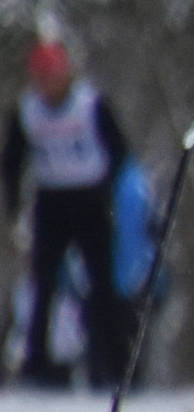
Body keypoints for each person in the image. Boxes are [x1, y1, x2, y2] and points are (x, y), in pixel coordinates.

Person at [5, 40, 134, 388]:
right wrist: (14, 204)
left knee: (101, 283)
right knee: (43, 283)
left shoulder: (88, 103)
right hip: (51, 201)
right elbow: (13, 162)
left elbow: (119, 149)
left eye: (53, 76)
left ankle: (113, 363)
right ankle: (37, 363)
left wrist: (110, 187)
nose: (47, 85)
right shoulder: (28, 109)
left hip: (90, 199)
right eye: (41, 77)